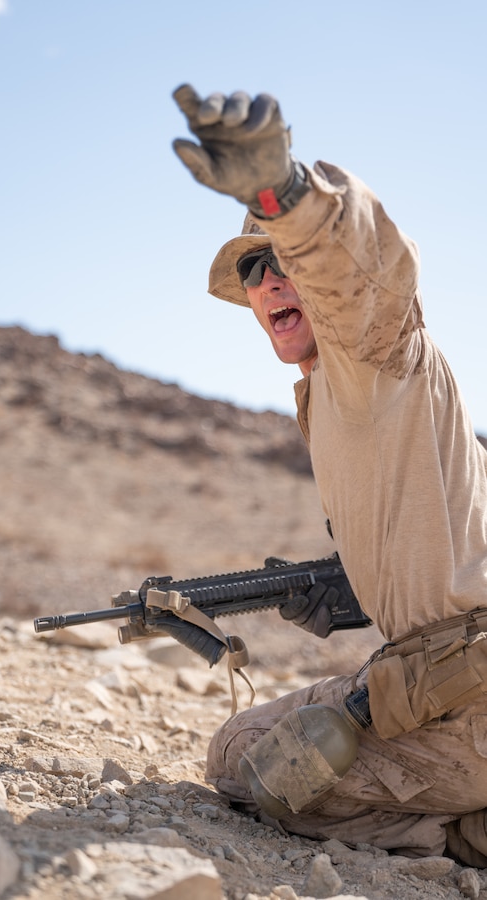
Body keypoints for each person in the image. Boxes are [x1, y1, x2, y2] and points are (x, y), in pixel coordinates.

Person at [172, 84, 487, 865]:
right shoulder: (338, 398)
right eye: (254, 269)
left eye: (286, 260)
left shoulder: (375, 350)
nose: (273, 279)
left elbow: (364, 272)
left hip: (464, 702)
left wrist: (284, 194)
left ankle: (461, 836)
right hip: (441, 679)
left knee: (247, 761)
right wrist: (354, 595)